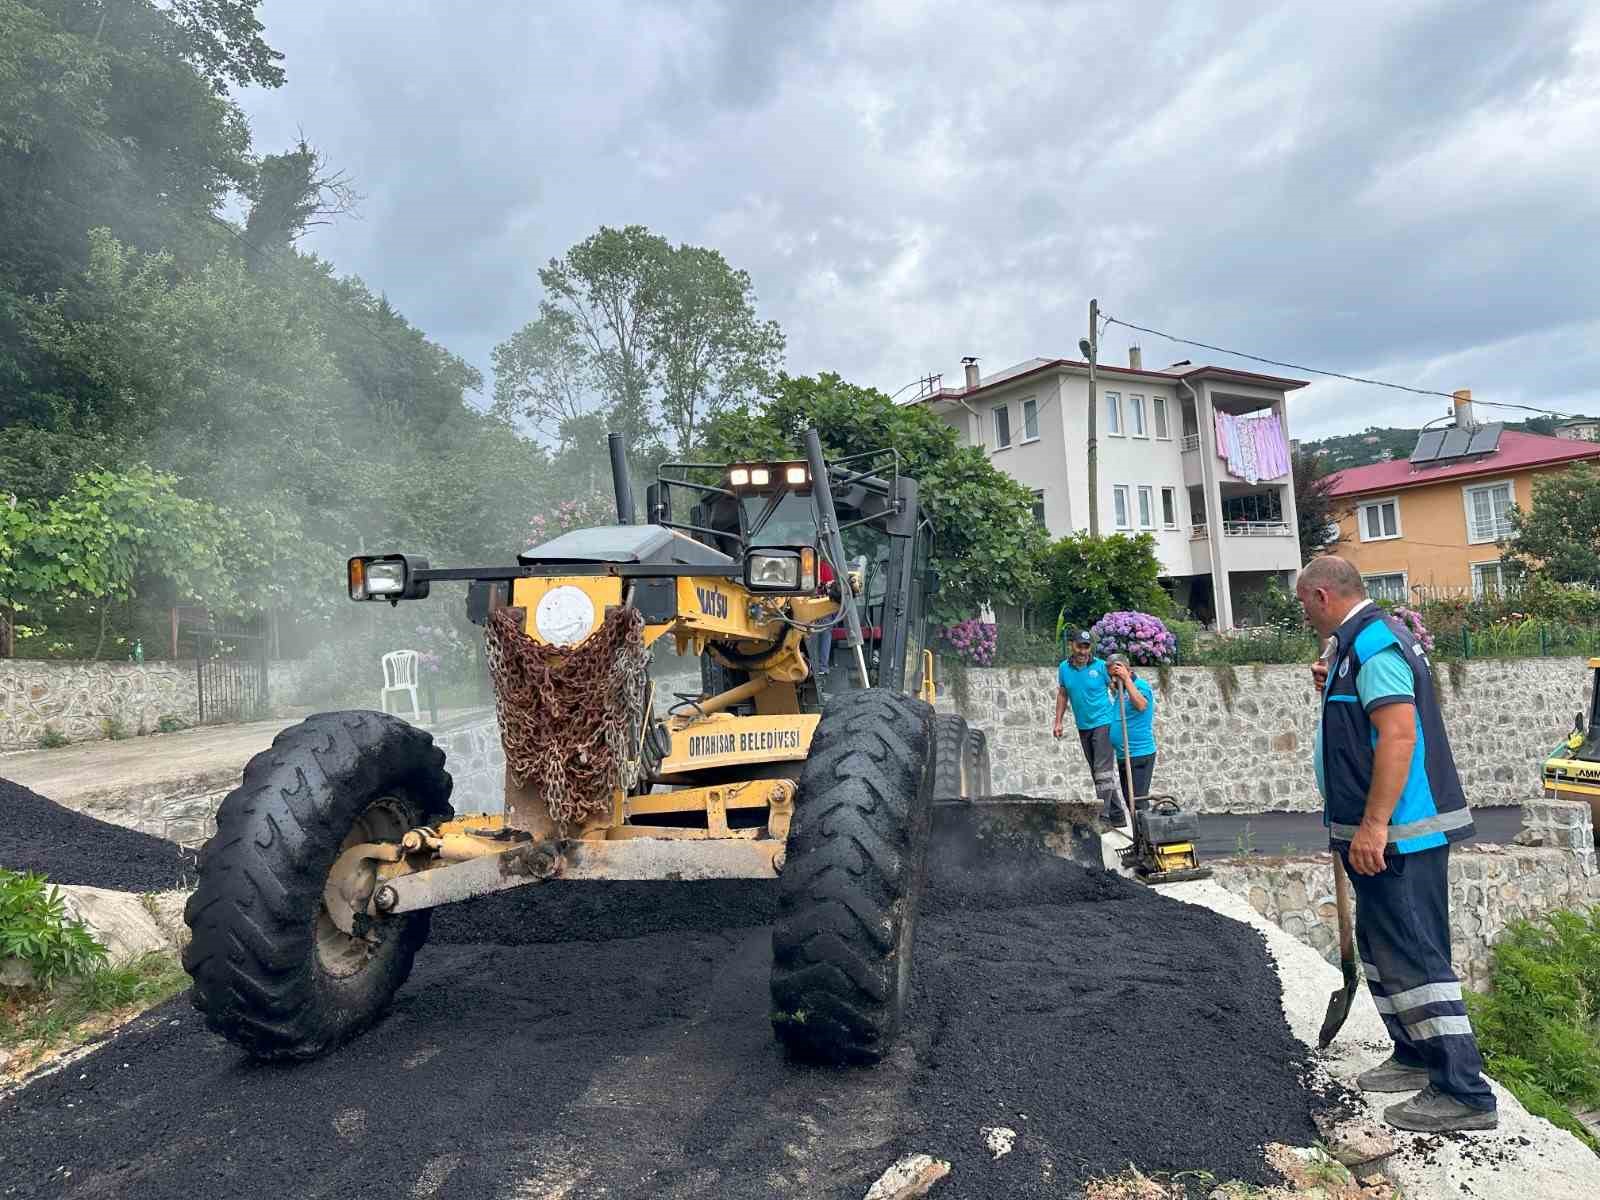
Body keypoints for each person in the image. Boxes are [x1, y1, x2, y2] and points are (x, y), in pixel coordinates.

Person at [1296, 555, 1497, 1133]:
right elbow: (1363, 719)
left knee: (1415, 951)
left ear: (1322, 596)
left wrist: (1374, 824)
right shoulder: (1356, 648)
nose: (1305, 615)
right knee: (1384, 948)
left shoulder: (1374, 647)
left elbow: (1399, 734)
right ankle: (1414, 1053)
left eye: (1304, 604)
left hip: (1400, 836)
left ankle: (1463, 1090)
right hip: (1379, 832)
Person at [1052, 629, 1124, 822]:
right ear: (1072, 645)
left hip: (1104, 723)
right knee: (1098, 773)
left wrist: (1119, 683)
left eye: (1087, 647)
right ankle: (1118, 815)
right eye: (1079, 646)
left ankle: (1104, 816)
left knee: (1102, 771)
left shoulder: (1101, 667)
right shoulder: (1064, 668)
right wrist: (1058, 721)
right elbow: (1063, 694)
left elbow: (1116, 688)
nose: (1083, 651)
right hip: (1083, 726)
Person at [1106, 653, 1156, 811]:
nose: (1114, 678)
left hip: (1139, 754)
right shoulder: (1120, 690)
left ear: (1128, 670)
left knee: (1138, 801)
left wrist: (1126, 680)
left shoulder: (1140, 686)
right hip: (1124, 754)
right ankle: (1139, 833)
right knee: (1130, 801)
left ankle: (1145, 834)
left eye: (1117, 672)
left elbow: (1141, 705)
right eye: (1112, 674)